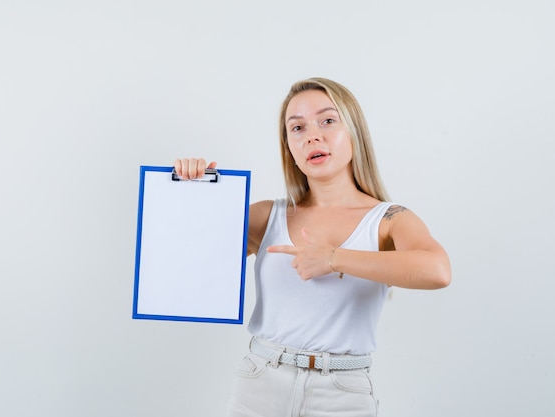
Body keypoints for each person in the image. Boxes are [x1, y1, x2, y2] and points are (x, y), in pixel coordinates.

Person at [174, 77, 451, 417]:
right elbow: (187, 252)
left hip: (341, 393)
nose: (312, 135)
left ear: (354, 131)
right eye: (297, 128)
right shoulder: (266, 216)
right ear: (289, 146)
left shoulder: (389, 219)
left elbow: (437, 271)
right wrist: (192, 189)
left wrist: (334, 258)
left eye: (328, 120)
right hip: (259, 385)